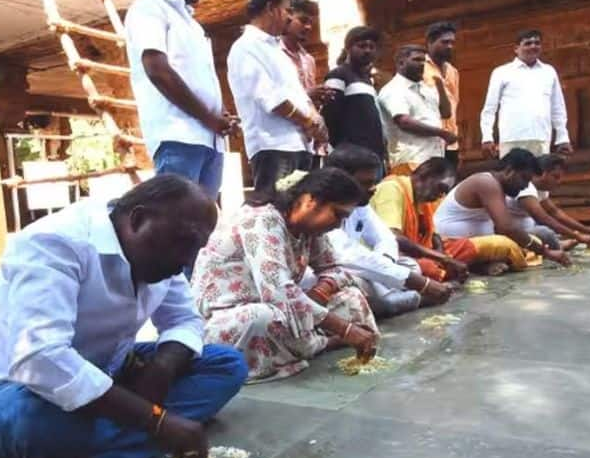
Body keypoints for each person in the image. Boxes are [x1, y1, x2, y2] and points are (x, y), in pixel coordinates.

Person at [0, 175, 247, 458]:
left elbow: (184, 320)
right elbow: (40, 360)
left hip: (100, 369)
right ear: (138, 219)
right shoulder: (55, 242)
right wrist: (155, 419)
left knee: (227, 365)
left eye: (196, 249)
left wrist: (161, 370)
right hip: (4, 389)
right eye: (183, 242)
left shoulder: (164, 255)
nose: (187, 260)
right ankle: (108, 450)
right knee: (48, 425)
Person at [192, 168, 380, 382]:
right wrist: (344, 329)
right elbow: (278, 292)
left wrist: (321, 291)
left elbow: (335, 269)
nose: (338, 225)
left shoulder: (308, 228)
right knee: (262, 317)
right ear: (311, 200)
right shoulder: (261, 221)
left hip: (281, 308)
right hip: (227, 318)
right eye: (337, 214)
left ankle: (309, 344)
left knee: (351, 298)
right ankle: (323, 343)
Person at [125, 0, 238, 200]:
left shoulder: (192, 24)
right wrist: (208, 117)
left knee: (200, 226)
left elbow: (194, 77)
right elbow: (157, 69)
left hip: (209, 140)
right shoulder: (149, 7)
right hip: (178, 136)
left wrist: (219, 115)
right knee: (174, 225)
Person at [324, 144, 453, 314]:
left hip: (367, 265)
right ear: (342, 179)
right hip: (337, 271)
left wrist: (385, 263)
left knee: (410, 266)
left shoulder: (360, 204)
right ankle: (411, 298)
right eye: (366, 183)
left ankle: (393, 294)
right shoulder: (322, 207)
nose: (373, 189)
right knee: (369, 288)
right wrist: (423, 284)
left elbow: (385, 238)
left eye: (374, 182)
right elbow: (347, 255)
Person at [227, 0, 326, 194]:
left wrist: (316, 120)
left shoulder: (275, 50)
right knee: (277, 210)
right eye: (287, 10)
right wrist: (307, 122)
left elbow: (298, 93)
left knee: (297, 214)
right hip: (274, 146)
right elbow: (270, 98)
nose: (290, 18)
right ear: (271, 8)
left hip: (299, 144)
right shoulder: (246, 47)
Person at [371, 158, 528, 280]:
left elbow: (434, 235)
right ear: (425, 174)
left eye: (444, 193)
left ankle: (463, 268)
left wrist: (440, 253)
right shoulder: (392, 188)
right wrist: (443, 259)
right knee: (426, 268)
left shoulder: (423, 198)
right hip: (392, 255)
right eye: (440, 189)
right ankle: (455, 272)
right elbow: (393, 238)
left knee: (472, 247)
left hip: (422, 252)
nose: (440, 196)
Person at [434, 148, 571, 267]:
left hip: (473, 242)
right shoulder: (487, 183)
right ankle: (480, 265)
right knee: (512, 245)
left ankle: (485, 264)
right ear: (509, 171)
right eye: (524, 179)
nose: (525, 186)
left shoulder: (497, 185)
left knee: (528, 242)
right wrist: (546, 252)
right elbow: (506, 228)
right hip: (450, 244)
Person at [480, 29, 572, 159]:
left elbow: (558, 109)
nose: (533, 46)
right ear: (516, 48)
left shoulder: (549, 72)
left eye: (537, 43)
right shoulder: (501, 72)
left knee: (538, 177)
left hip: (541, 138)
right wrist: (487, 138)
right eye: (528, 43)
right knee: (512, 178)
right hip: (511, 138)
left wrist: (563, 137)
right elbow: (489, 109)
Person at [378, 44, 455, 176]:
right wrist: (441, 133)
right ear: (401, 63)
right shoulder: (393, 90)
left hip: (433, 159)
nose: (422, 64)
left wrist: (441, 88)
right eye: (416, 60)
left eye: (423, 61)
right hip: (410, 161)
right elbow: (404, 122)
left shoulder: (426, 88)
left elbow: (446, 113)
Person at [508, 153, 590, 249]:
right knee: (545, 232)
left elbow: (554, 212)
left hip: (527, 232)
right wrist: (578, 237)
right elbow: (544, 218)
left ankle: (556, 245)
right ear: (543, 173)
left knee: (550, 232)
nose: (559, 182)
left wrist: (586, 229)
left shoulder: (540, 190)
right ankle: (558, 247)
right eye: (555, 177)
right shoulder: (527, 188)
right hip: (515, 235)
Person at [280, 0, 335, 164]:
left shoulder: (308, 59)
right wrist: (307, 94)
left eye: (311, 22)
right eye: (303, 20)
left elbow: (310, 99)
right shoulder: (273, 53)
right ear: (287, 17)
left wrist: (319, 97)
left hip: (310, 140)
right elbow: (273, 96)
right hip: (283, 138)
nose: (308, 27)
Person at [322, 26, 386, 170]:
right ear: (348, 48)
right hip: (350, 159)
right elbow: (330, 115)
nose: (367, 50)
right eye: (362, 46)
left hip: (374, 156)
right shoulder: (338, 75)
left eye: (371, 47)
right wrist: (342, 148)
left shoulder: (368, 81)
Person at [423, 21, 461, 167]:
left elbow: (454, 105)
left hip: (451, 143)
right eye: (445, 42)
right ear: (430, 42)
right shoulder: (420, 68)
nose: (450, 46)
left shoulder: (453, 71)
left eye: (452, 42)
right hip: (430, 141)